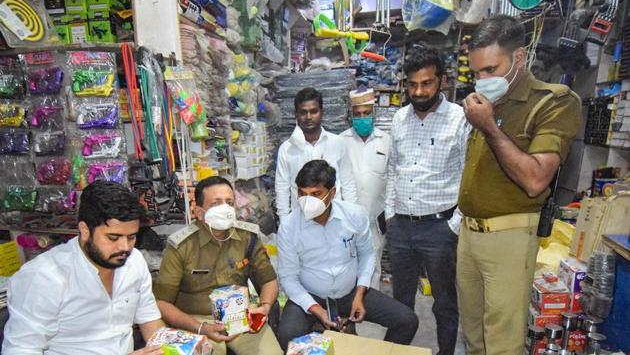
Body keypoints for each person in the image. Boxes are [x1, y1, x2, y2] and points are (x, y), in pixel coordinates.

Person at [458, 15, 581, 355]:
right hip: (469, 236)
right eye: (476, 72)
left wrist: (490, 128)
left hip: (509, 237)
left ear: (519, 58)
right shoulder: (487, 103)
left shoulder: (553, 101)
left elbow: (535, 179)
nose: (482, 80)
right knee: (473, 335)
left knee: (502, 341)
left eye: (491, 70)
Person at [2, 181, 165, 355]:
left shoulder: (135, 262)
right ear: (85, 230)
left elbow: (150, 320)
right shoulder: (43, 277)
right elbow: (21, 350)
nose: (124, 247)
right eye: (113, 238)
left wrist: (179, 346)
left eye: (131, 237)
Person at [277, 160, 419, 350]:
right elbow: (288, 277)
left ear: (332, 193)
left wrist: (360, 293)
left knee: (407, 320)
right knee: (287, 335)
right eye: (302, 194)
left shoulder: (354, 216)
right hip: (311, 295)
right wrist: (315, 308)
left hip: (350, 293)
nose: (307, 201)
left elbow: (367, 254)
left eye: (316, 194)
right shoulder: (289, 226)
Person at [384, 44, 469, 355]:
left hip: (440, 228)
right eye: (412, 84)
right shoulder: (398, 119)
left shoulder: (460, 119)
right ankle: (398, 352)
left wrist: (454, 225)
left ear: (442, 81)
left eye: (426, 83)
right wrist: (391, 214)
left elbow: (467, 174)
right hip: (402, 227)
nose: (419, 91)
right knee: (400, 304)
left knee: (445, 303)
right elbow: (392, 168)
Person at [153, 176, 283, 355]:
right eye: (216, 203)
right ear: (199, 212)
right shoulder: (182, 246)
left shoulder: (247, 237)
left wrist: (265, 307)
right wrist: (201, 327)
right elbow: (162, 302)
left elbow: (269, 281)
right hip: (196, 321)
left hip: (240, 316)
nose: (225, 208)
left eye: (229, 202)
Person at [275, 87, 357, 221]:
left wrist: (350, 217)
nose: (308, 117)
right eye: (303, 112)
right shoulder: (287, 149)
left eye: (313, 111)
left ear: (322, 112)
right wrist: (284, 222)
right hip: (301, 220)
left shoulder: (338, 143)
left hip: (334, 219)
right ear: (296, 114)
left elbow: (348, 183)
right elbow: (282, 189)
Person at [340, 87, 390, 288]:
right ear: (351, 115)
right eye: (357, 114)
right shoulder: (340, 141)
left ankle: (371, 310)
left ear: (373, 113)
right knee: (347, 267)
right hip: (346, 220)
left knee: (373, 267)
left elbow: (392, 179)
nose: (362, 118)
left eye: (366, 113)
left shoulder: (386, 141)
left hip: (374, 220)